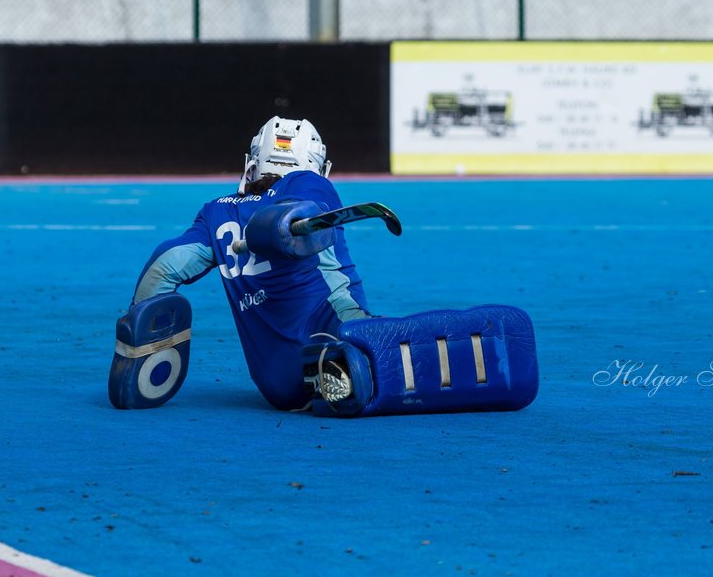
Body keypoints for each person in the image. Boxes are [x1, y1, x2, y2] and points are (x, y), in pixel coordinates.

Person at [109, 116, 539, 417]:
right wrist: (295, 217)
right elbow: (315, 208)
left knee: (354, 363)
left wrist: (141, 323)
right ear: (315, 164)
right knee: (406, 345)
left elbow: (166, 267)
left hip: (275, 385)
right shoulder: (310, 184)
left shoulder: (216, 212)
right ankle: (353, 362)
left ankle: (342, 377)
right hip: (336, 336)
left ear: (252, 162)